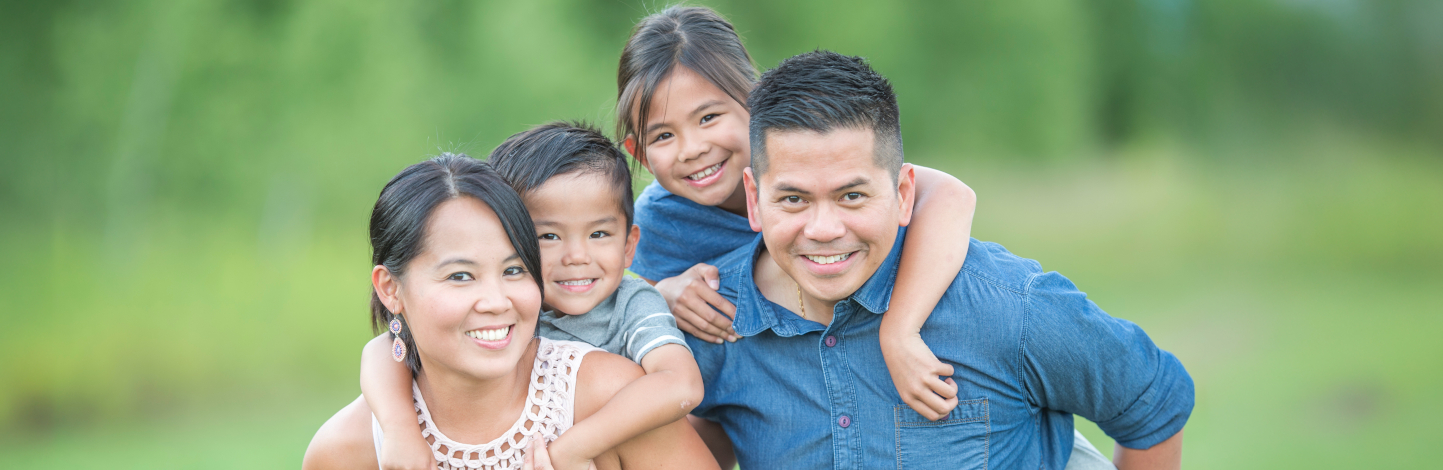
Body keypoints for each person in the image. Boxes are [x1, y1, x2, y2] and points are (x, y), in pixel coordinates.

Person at [685, 51, 1194, 469]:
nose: (823, 230)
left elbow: (1152, 403)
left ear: (904, 192)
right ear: (754, 200)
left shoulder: (1007, 306)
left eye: (852, 197)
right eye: (793, 199)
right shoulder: (712, 323)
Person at [616, 4, 980, 429]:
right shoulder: (658, 224)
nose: (692, 147)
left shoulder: (806, 158)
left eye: (709, 117)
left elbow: (950, 194)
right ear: (638, 152)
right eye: (663, 135)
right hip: (790, 390)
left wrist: (899, 330)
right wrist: (662, 297)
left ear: (754, 107)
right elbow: (610, 308)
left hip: (924, 345)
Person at [303, 154, 716, 470]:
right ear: (391, 289)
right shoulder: (347, 448)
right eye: (461, 276)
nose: (498, 301)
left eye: (515, 269)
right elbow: (386, 346)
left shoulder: (609, 399)